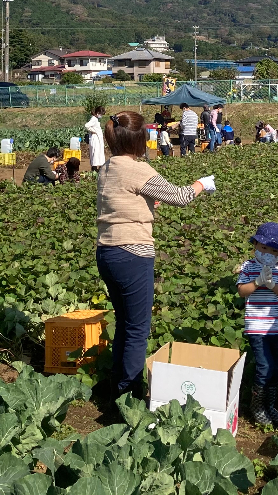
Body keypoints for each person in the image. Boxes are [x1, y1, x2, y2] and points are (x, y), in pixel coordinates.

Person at [97, 111, 215, 399]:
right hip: (133, 252)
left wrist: (148, 205)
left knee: (124, 323)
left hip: (107, 251)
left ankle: (118, 388)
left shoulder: (106, 167)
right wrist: (202, 183)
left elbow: (123, 202)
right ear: (139, 140)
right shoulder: (138, 170)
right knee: (137, 329)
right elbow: (180, 196)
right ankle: (131, 394)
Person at [236, 223, 278, 427]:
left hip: (277, 326)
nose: (267, 253)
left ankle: (269, 405)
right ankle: (257, 407)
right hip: (257, 326)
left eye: (273, 250)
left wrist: (272, 285)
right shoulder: (248, 267)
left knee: (275, 365)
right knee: (263, 366)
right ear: (256, 245)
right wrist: (258, 282)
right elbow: (242, 291)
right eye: (264, 248)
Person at [85, 106, 107, 173]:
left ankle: (99, 167)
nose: (101, 115)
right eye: (101, 114)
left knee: (99, 153)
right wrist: (93, 131)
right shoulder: (94, 119)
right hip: (95, 139)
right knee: (96, 153)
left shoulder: (95, 119)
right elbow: (86, 125)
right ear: (98, 113)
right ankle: (94, 168)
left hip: (98, 139)